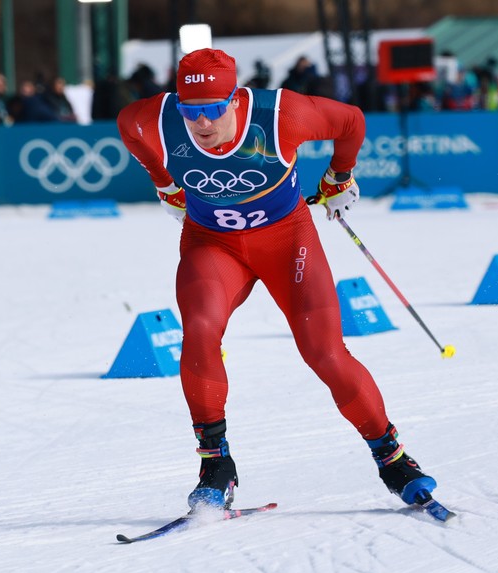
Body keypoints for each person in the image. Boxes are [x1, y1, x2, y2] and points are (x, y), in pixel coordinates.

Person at [117, 48, 438, 511]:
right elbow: (129, 126)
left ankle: (393, 459)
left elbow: (351, 121)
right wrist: (165, 185)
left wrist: (339, 177)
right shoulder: (156, 118)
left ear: (235, 99)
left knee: (325, 353)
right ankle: (216, 465)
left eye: (214, 109)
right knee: (200, 330)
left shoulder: (281, 114)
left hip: (287, 242)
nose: (201, 123)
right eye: (191, 111)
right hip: (213, 243)